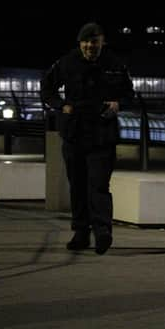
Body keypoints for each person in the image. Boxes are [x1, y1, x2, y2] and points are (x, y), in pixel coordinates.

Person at [41, 22, 134, 255]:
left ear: (102, 42)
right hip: (75, 132)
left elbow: (129, 93)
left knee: (99, 184)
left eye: (94, 42)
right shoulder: (67, 62)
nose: (90, 46)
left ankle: (103, 232)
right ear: (80, 43)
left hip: (103, 132)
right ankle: (81, 232)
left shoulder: (115, 63)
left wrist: (118, 103)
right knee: (78, 186)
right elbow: (46, 89)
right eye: (86, 42)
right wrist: (61, 106)